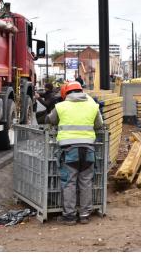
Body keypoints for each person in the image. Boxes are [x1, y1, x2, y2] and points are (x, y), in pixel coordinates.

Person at [46, 81, 103, 225]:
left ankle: (70, 216)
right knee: (86, 183)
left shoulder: (61, 106)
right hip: (88, 150)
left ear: (66, 93)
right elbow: (99, 125)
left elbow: (50, 120)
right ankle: (84, 215)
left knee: (69, 183)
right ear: (81, 90)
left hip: (69, 151)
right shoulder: (93, 106)